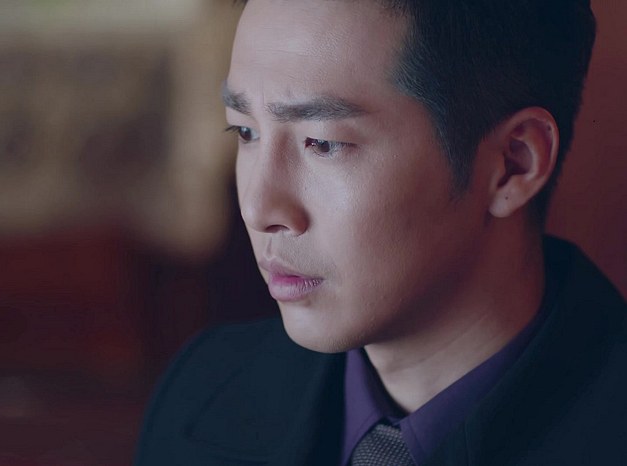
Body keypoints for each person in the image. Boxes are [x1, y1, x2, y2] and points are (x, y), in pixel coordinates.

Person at [135, 0, 627, 464]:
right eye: (245, 131)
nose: (257, 208)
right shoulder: (204, 389)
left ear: (513, 164)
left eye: (323, 143)